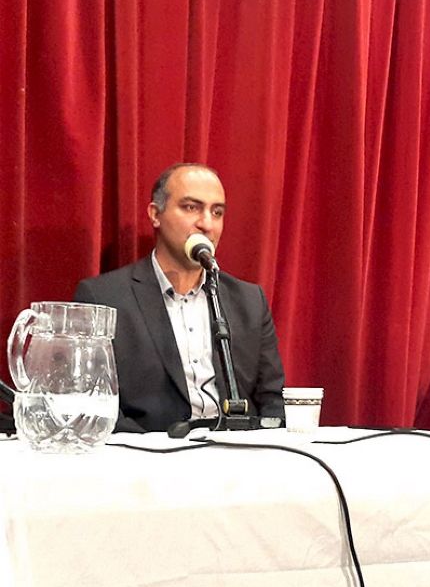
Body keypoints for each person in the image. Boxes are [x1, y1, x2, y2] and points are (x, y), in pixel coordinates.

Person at [74, 163, 285, 432]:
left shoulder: (248, 300)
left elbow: (272, 399)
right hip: (149, 451)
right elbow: (94, 405)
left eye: (217, 212)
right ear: (155, 214)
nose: (206, 224)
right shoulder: (104, 298)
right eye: (191, 207)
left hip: (237, 450)